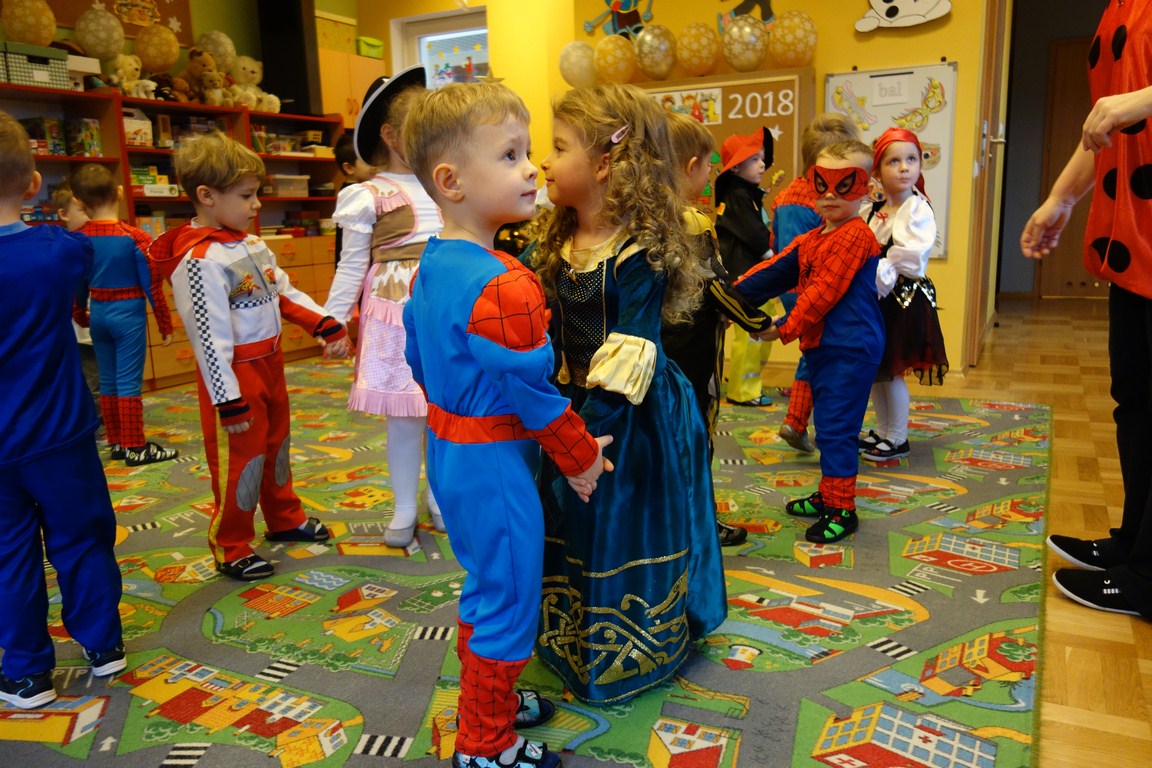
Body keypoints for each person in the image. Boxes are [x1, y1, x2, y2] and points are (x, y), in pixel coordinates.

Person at [401, 81, 611, 768]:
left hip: (449, 452)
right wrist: (580, 455)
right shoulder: (504, 283)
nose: (530, 169)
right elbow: (536, 396)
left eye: (529, 152)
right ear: (450, 181)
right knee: (511, 593)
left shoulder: (432, 263)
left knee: (487, 579)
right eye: (510, 154)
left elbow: (418, 357)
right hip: (491, 463)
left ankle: (492, 699)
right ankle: (484, 744)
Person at [526, 83, 728, 704]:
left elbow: (629, 353)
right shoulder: (553, 242)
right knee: (569, 521)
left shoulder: (639, 252)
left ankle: (629, 647)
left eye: (558, 147)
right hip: (570, 407)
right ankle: (568, 634)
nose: (543, 161)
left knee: (616, 518)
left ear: (606, 162)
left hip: (632, 416)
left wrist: (582, 440)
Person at [149, 131, 351, 582]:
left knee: (277, 446)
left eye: (256, 193)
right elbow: (208, 336)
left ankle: (284, 517)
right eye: (246, 196)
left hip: (271, 364)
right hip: (234, 377)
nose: (256, 204)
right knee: (240, 461)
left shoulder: (252, 244)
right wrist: (227, 398)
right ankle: (231, 544)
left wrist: (324, 323)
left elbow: (284, 292)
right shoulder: (199, 260)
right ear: (206, 196)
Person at [1020, 0, 1152, 619]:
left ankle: (1147, 577)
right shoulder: (1118, 11)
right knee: (1137, 402)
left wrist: (1139, 100)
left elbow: (1126, 109)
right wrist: (1061, 199)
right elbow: (1104, 129)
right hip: (1136, 243)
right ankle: (1135, 546)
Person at [0, 112, 126, 710]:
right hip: (60, 434)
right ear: (34, 183)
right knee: (82, 537)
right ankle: (103, 645)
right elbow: (83, 254)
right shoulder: (63, 250)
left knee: (8, 554)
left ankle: (26, 672)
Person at [735, 140, 884, 544]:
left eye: (844, 183)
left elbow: (823, 292)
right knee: (828, 425)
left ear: (867, 188)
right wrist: (726, 296)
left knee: (837, 428)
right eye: (822, 183)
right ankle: (829, 493)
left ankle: (842, 508)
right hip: (825, 346)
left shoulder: (854, 236)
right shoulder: (815, 237)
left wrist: (782, 327)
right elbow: (776, 270)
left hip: (851, 348)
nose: (831, 193)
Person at [325, 66, 444, 549]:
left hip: (442, 309)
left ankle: (439, 497)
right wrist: (331, 320)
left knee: (444, 410)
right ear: (391, 136)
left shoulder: (444, 182)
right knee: (405, 416)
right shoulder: (367, 195)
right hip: (394, 315)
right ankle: (404, 506)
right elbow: (351, 264)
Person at [662, 111, 772, 547]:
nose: (711, 174)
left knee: (660, 438)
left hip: (652, 350)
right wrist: (761, 322)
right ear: (691, 166)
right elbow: (715, 286)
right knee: (695, 435)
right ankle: (698, 527)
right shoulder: (692, 221)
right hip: (691, 350)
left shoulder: (635, 217)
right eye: (709, 166)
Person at [70, 163, 179, 466]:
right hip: (128, 315)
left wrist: (79, 312)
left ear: (79, 202)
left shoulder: (78, 240)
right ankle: (136, 446)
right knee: (129, 381)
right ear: (119, 193)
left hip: (98, 314)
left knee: (108, 380)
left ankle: (117, 441)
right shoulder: (135, 238)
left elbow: (77, 283)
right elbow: (152, 285)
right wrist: (165, 323)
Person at [771, 112, 862, 454]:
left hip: (801, 287)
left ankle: (796, 421)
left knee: (814, 351)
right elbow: (803, 252)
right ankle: (806, 423)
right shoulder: (811, 199)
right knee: (821, 353)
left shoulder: (795, 194)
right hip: (810, 288)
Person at [859, 128, 948, 462]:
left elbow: (909, 259)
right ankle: (884, 431)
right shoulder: (872, 210)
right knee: (877, 371)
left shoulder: (917, 209)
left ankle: (897, 437)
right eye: (893, 161)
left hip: (902, 301)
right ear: (878, 170)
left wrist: (875, 274)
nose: (904, 167)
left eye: (911, 159)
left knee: (892, 371)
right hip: (876, 300)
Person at [715, 125, 776, 407]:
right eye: (754, 159)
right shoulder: (738, 196)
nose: (762, 164)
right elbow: (753, 233)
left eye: (762, 158)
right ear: (736, 167)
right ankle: (744, 390)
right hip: (746, 274)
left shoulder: (745, 194)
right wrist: (772, 255)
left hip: (753, 273)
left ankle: (746, 383)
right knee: (751, 331)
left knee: (758, 330)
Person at [332, 133, 377, 264]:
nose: (376, 164)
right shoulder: (355, 195)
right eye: (367, 160)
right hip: (359, 264)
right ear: (349, 168)